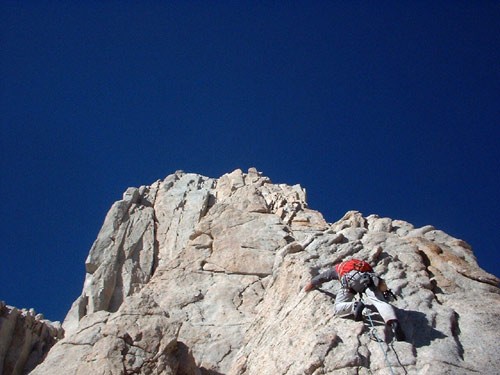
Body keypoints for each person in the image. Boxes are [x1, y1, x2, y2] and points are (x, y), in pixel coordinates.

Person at [304, 258, 405, 341]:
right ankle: (392, 321)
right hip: (369, 279)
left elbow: (322, 277)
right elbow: (377, 281)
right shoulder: (361, 263)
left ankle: (354, 306)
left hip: (350, 282)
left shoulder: (338, 268)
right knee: (379, 302)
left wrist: (309, 286)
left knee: (338, 308)